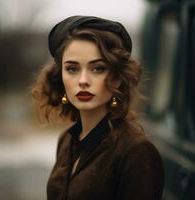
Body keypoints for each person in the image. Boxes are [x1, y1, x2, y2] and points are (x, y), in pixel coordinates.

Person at [32, 15, 164, 200]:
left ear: (117, 77)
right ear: (60, 75)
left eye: (97, 68)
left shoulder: (136, 152)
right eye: (72, 69)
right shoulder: (66, 141)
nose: (83, 81)